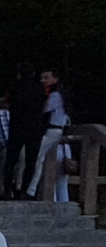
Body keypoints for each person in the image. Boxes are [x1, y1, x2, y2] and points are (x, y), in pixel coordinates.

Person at [39, 71, 72, 201]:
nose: (43, 81)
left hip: (52, 136)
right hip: (64, 141)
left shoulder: (54, 96)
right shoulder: (65, 98)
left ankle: (49, 204)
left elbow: (43, 111)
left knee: (47, 174)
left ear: (55, 79)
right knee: (62, 182)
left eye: (46, 78)